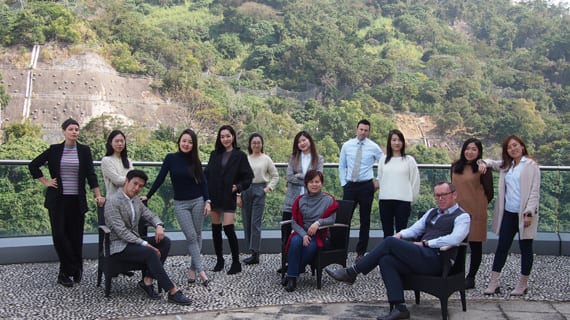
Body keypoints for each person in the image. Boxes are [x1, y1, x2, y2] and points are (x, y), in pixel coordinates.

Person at [326, 182, 470, 320]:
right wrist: (400, 235)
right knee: (386, 260)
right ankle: (400, 307)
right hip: (422, 257)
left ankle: (352, 272)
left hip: (438, 260)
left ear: (454, 195)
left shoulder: (462, 216)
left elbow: (455, 239)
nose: (440, 199)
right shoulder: (432, 212)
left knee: (389, 242)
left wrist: (426, 243)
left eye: (443, 195)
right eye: (437, 195)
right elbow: (414, 229)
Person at [28, 118, 104, 287]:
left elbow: (91, 174)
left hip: (77, 200)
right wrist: (45, 181)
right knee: (59, 236)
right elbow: (33, 165)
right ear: (63, 131)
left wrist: (98, 195)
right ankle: (72, 267)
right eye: (71, 129)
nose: (74, 132)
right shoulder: (54, 150)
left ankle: (68, 272)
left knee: (75, 236)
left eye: (77, 129)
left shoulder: (84, 151)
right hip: (58, 200)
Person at [104, 169, 192, 305]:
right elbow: (121, 232)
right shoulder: (112, 201)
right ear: (126, 181)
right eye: (135, 184)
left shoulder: (135, 201)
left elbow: (149, 215)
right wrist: (145, 244)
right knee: (151, 252)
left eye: (140, 186)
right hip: (119, 245)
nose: (137, 188)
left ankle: (147, 280)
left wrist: (159, 225)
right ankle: (172, 291)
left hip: (134, 241)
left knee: (165, 242)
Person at [142, 129, 211, 285]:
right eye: (184, 141)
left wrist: (208, 201)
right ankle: (201, 271)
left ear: (194, 145)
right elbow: (160, 177)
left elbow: (203, 183)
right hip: (181, 204)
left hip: (198, 201)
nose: (186, 144)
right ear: (179, 141)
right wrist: (149, 195)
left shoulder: (195, 161)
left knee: (198, 234)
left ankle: (193, 269)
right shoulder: (171, 158)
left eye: (190, 142)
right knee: (192, 236)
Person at [481, 135, 540, 296]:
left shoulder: (531, 165)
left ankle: (522, 284)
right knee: (502, 247)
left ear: (522, 146)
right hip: (508, 212)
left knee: (526, 248)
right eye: (509, 147)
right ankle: (494, 282)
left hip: (524, 215)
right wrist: (483, 162)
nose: (513, 149)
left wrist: (528, 213)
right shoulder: (508, 166)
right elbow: (492, 163)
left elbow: (534, 191)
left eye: (515, 145)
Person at [204, 125, 254, 275]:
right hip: (214, 195)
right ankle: (220, 260)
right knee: (215, 229)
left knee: (228, 228)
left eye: (228, 136)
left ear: (233, 137)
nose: (225, 139)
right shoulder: (214, 154)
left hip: (228, 196)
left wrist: (238, 187)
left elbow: (248, 177)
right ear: (219, 139)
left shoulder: (240, 155)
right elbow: (207, 175)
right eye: (222, 136)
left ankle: (236, 262)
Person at [283, 169, 338, 292]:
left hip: (321, 235)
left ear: (321, 183)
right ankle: (292, 278)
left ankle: (292, 273)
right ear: (306, 184)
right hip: (303, 232)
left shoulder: (328, 200)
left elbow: (332, 219)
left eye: (317, 182)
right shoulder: (300, 200)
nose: (314, 184)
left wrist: (318, 223)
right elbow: (294, 222)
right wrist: (303, 235)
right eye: (311, 182)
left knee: (310, 246)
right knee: (296, 241)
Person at [451, 138, 493, 289]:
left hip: (476, 211)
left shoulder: (482, 168)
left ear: (479, 152)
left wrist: (479, 203)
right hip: (458, 210)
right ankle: (456, 273)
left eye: (474, 149)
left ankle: (471, 277)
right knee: (457, 243)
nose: (470, 152)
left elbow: (490, 192)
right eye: (467, 148)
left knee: (475, 245)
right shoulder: (455, 165)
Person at [339, 119, 384, 261]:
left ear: (369, 131)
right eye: (361, 129)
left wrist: (378, 182)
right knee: (344, 219)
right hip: (350, 186)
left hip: (366, 186)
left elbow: (384, 164)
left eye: (366, 130)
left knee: (365, 220)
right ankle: (342, 250)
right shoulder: (347, 145)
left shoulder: (373, 147)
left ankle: (360, 253)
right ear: (356, 129)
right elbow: (341, 166)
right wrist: (343, 184)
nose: (363, 132)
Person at [280, 131, 324, 273]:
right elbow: (289, 177)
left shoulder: (318, 159)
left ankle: (304, 263)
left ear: (309, 140)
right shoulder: (293, 158)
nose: (302, 143)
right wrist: (308, 180)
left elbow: (319, 178)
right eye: (299, 142)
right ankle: (286, 263)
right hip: (291, 201)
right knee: (286, 234)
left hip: (310, 203)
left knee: (306, 234)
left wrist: (300, 176)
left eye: (304, 140)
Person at [240, 133, 279, 265]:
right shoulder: (245, 159)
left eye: (258, 142)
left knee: (255, 223)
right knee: (247, 221)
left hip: (259, 190)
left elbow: (275, 175)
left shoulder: (266, 159)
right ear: (250, 145)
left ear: (262, 144)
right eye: (253, 143)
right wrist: (238, 195)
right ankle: (251, 252)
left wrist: (268, 189)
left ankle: (256, 254)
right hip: (245, 190)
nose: (256, 145)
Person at [377, 129, 420, 238]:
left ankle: (400, 255)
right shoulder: (383, 160)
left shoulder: (409, 160)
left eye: (399, 140)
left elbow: (415, 181)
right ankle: (388, 254)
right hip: (385, 200)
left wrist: (412, 199)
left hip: (403, 201)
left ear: (403, 142)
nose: (397, 143)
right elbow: (381, 179)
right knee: (387, 232)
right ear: (389, 142)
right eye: (394, 140)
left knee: (401, 232)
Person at [101, 130, 133, 197]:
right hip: (113, 201)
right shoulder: (106, 160)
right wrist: (132, 180)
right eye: (117, 141)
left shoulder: (128, 161)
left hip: (128, 200)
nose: (120, 144)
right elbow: (118, 181)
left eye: (122, 141)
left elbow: (134, 178)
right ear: (110, 142)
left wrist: (133, 180)